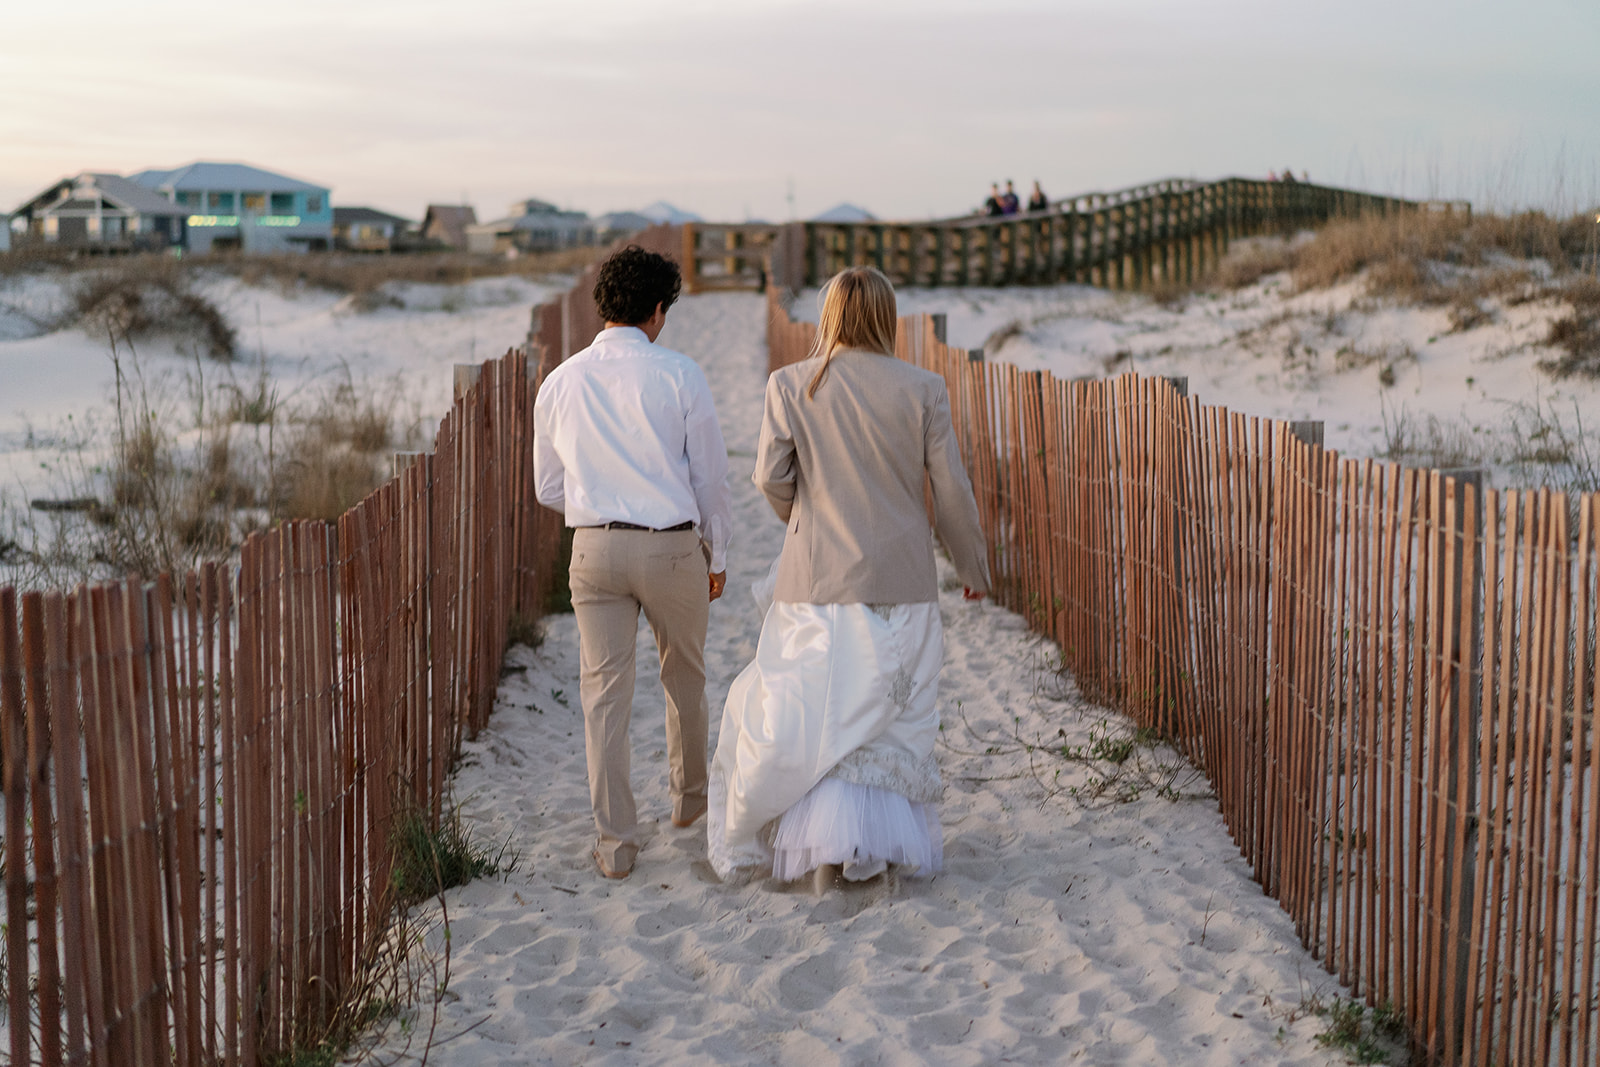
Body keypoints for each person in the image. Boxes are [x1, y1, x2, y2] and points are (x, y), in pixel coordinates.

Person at [707, 266, 992, 891]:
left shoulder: (790, 384)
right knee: (888, 721)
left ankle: (821, 854)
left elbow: (768, 478)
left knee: (817, 713)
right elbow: (950, 490)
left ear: (828, 316)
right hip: (902, 580)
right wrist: (971, 566)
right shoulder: (923, 388)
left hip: (814, 580)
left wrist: (804, 519)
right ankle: (879, 849)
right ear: (887, 317)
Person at [533, 244, 733, 880]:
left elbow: (547, 488)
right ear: (656, 309)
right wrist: (718, 552)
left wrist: (598, 499)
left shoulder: (559, 381)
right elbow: (711, 480)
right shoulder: (679, 374)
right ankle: (689, 808)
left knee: (603, 696)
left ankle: (616, 843)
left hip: (593, 550)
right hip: (671, 546)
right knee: (686, 680)